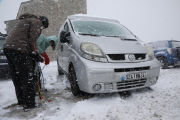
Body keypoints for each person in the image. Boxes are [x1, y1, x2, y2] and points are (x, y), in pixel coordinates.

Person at [3, 13, 49, 110]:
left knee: (17, 76)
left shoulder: (25, 20)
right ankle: (29, 104)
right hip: (19, 49)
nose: (41, 29)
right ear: (43, 23)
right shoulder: (37, 22)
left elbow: (25, 37)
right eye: (43, 28)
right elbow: (32, 39)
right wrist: (34, 52)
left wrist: (31, 52)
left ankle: (21, 101)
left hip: (8, 48)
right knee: (28, 76)